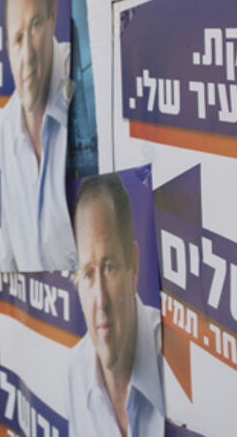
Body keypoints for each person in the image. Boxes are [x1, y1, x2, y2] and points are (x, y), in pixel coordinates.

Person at [0, 0, 77, 272]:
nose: (27, 54)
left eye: (36, 25)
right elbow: (7, 259)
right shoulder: (5, 128)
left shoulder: (85, 79)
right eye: (17, 38)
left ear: (54, 12)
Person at [65, 174, 163, 437]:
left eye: (109, 268)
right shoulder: (74, 373)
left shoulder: (171, 361)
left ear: (133, 267)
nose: (101, 299)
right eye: (87, 274)